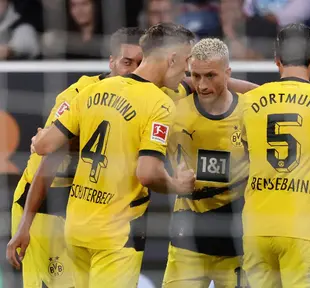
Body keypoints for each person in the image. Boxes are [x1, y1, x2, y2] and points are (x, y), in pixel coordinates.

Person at [11, 22, 197, 288]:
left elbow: (44, 145)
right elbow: (146, 173)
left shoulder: (91, 91)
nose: (188, 68)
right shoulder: (159, 103)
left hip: (77, 225)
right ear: (173, 58)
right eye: (187, 60)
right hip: (108, 230)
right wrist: (177, 185)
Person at [6, 26, 145, 288]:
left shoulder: (146, 98)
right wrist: (25, 225)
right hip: (45, 206)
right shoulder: (80, 94)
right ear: (112, 62)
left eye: (140, 63)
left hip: (85, 211)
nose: (134, 70)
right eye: (127, 62)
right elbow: (48, 156)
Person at [241, 23, 310, 287]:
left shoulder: (249, 103)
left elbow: (247, 154)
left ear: (277, 59)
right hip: (306, 231)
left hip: (257, 228)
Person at [163, 38, 249, 288]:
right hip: (188, 236)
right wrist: (172, 180)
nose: (202, 85)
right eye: (195, 76)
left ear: (228, 73)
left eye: (210, 75)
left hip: (236, 238)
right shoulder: (175, 113)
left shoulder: (250, 113)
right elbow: (151, 162)